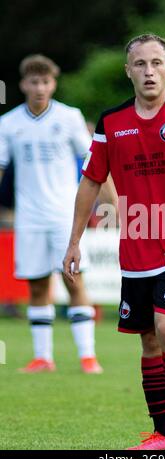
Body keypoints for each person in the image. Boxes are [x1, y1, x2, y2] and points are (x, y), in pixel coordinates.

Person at [63, 34, 165, 450]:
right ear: (128, 71)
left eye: (157, 63)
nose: (149, 71)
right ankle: (158, 432)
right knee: (149, 339)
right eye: (140, 64)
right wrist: (74, 241)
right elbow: (91, 181)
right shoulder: (111, 122)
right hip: (135, 248)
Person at [0, 54, 102, 373]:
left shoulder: (70, 117)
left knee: (74, 281)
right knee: (37, 285)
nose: (40, 88)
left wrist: (112, 202)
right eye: (34, 82)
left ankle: (88, 356)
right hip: (28, 217)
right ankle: (43, 357)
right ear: (23, 85)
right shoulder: (8, 123)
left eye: (45, 82)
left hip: (64, 215)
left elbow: (93, 163)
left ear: (53, 84)